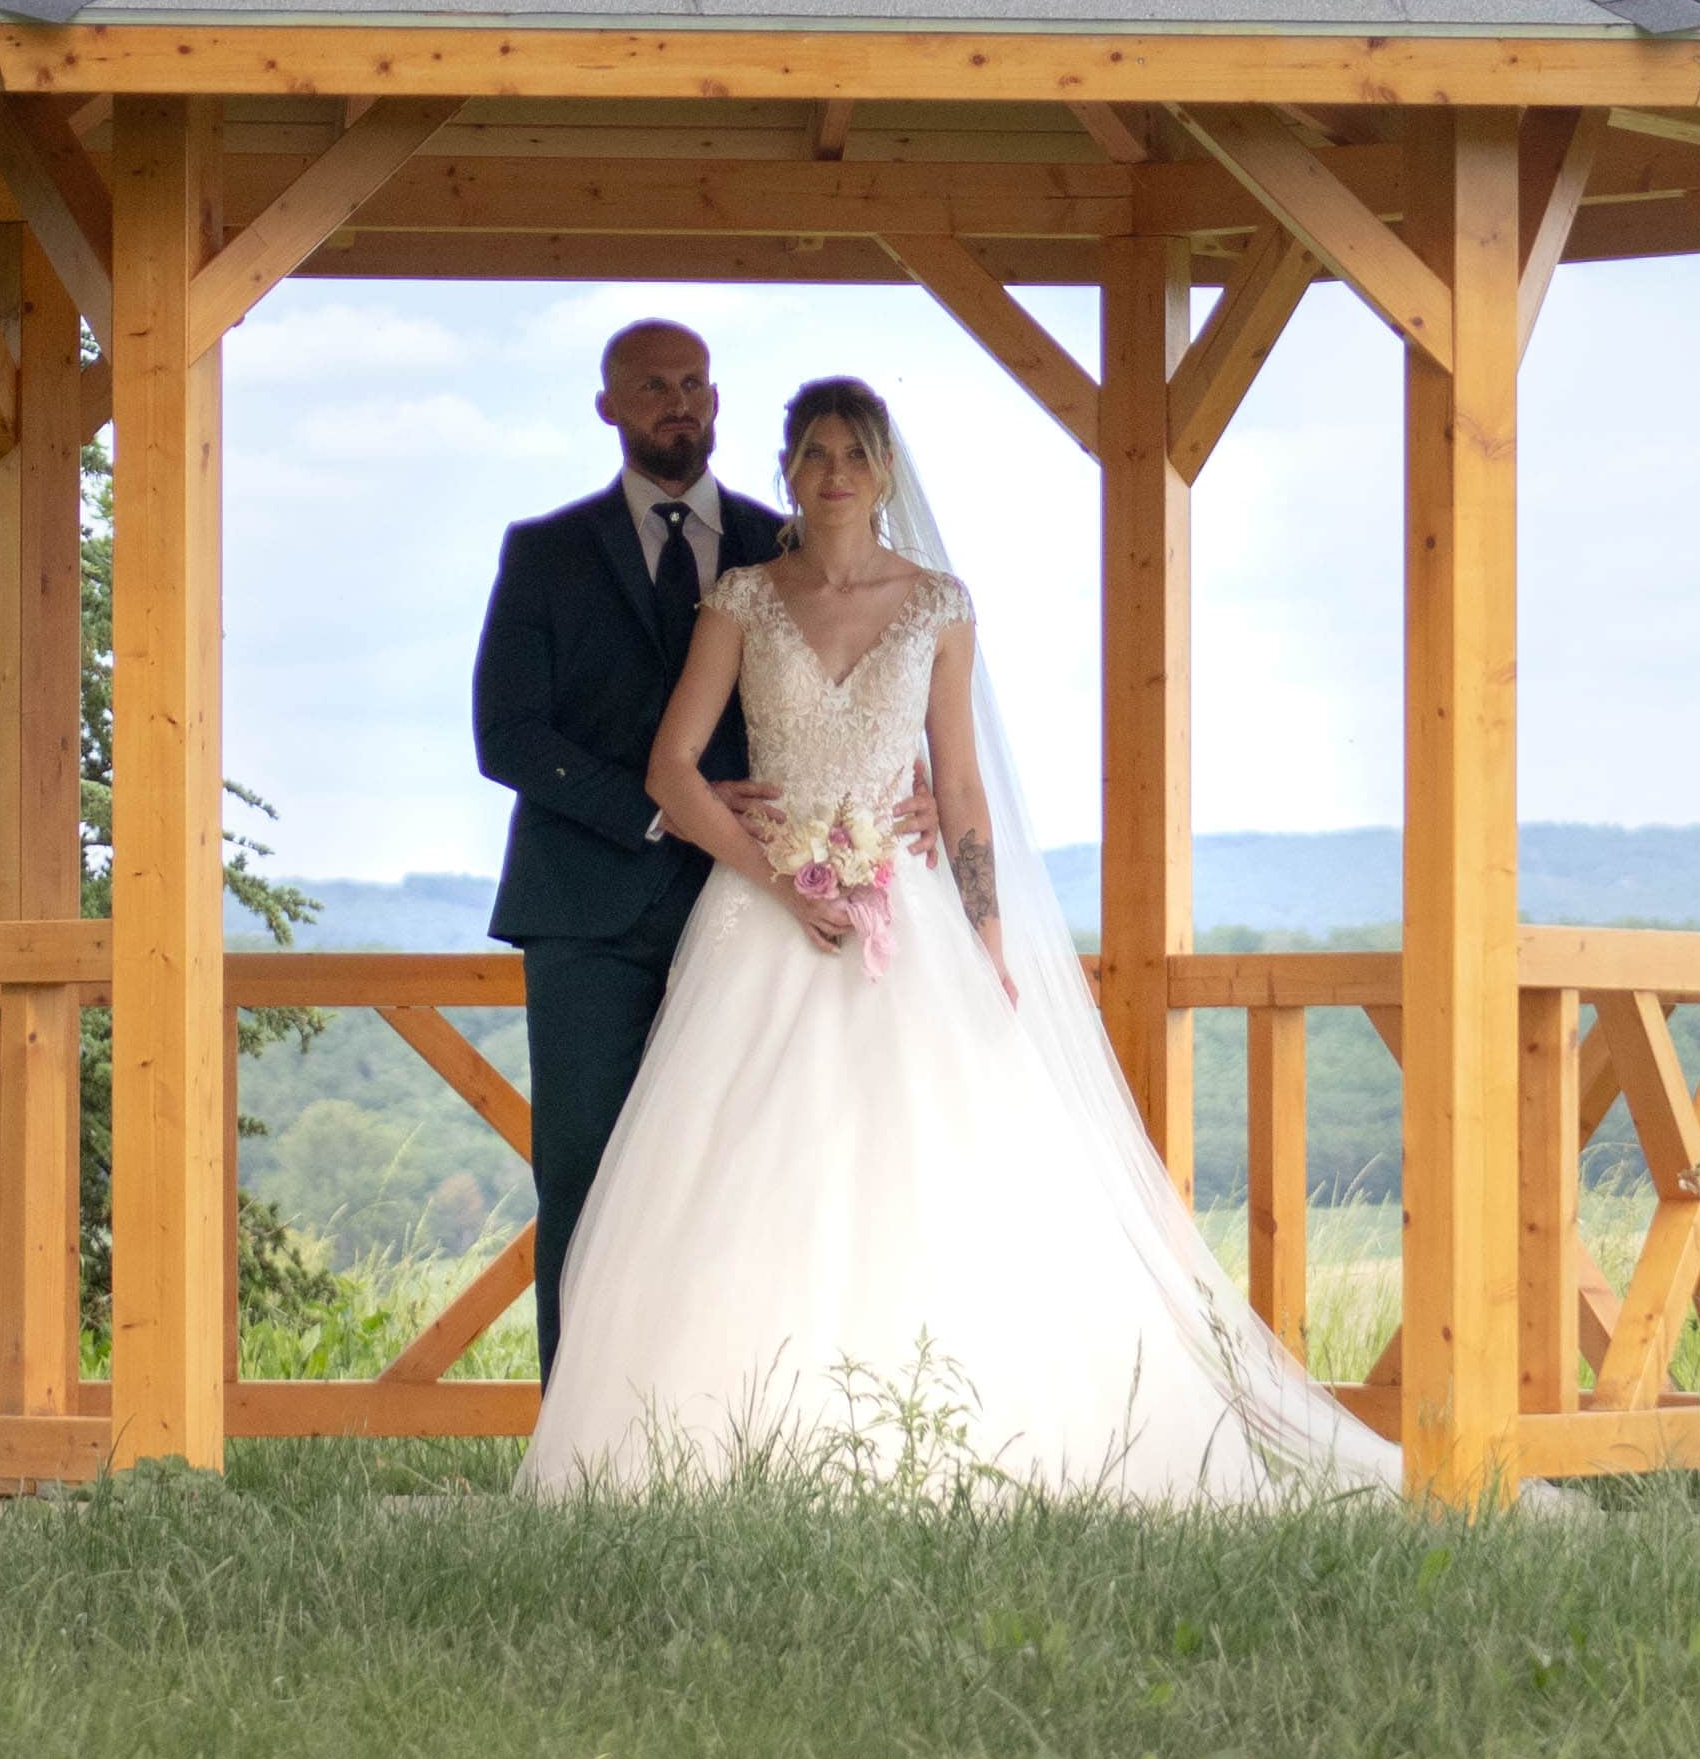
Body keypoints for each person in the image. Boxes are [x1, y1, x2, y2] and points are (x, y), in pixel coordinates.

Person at [519, 375, 1405, 1504]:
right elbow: (670, 771)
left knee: (932, 1177)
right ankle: (717, 1442)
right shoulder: (741, 597)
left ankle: (939, 1433)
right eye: (813, 451)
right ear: (786, 467)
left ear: (884, 471)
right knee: (745, 1178)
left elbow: (962, 787)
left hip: (906, 926)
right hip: (758, 923)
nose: (833, 471)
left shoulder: (939, 604)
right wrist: (781, 880)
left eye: (854, 451)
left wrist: (985, 935)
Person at [472, 320, 793, 1374]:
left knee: (739, 1171)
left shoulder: (780, 548)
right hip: (581, 912)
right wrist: (658, 808)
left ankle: (723, 1414)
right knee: (583, 1172)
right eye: (652, 384)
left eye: (695, 382)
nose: (678, 401)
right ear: (607, 406)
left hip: (744, 906)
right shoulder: (543, 550)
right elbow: (505, 733)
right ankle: (578, 1429)